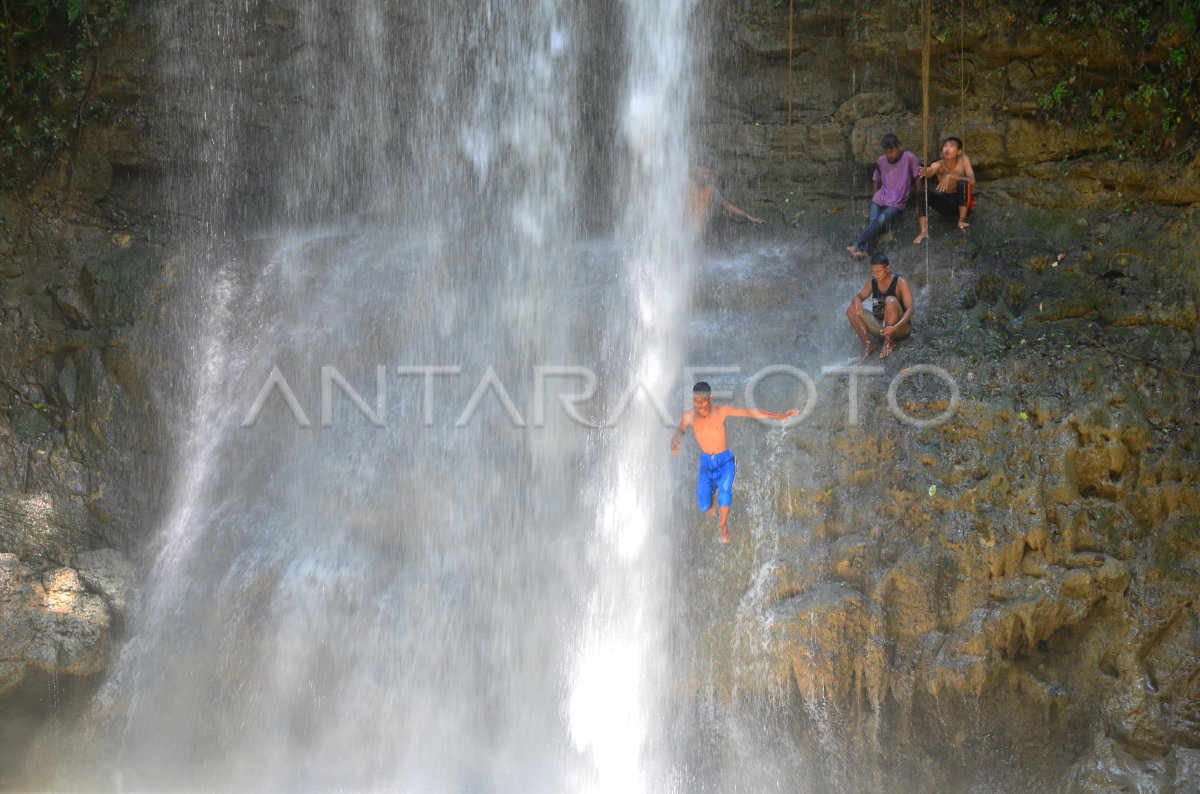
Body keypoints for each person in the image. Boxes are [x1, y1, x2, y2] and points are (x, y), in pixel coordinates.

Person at [671, 381, 798, 544]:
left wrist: (778, 415)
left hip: (725, 461)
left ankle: (723, 525)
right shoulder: (688, 416)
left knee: (725, 489)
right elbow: (680, 429)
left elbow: (750, 413)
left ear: (710, 398)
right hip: (706, 463)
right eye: (696, 402)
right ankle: (714, 497)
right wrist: (675, 440)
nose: (699, 406)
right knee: (705, 507)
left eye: (703, 402)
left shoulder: (721, 411)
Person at [847, 133, 921, 259]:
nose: (889, 155)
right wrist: (874, 197)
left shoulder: (910, 158)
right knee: (873, 222)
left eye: (892, 151)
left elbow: (917, 178)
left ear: (899, 146)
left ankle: (856, 244)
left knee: (881, 221)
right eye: (886, 152)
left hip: (897, 202)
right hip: (880, 198)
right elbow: (876, 180)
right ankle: (867, 252)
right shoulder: (881, 160)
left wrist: (919, 201)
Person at [846, 252, 915, 360]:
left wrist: (894, 327)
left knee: (890, 300)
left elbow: (910, 310)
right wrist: (856, 299)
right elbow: (859, 296)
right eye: (873, 272)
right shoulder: (873, 282)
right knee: (851, 309)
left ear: (887, 268)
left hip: (899, 328)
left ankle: (889, 342)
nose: (875, 275)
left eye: (878, 271)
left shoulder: (900, 282)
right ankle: (869, 344)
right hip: (881, 327)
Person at [913, 136, 976, 244]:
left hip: (962, 202)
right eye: (945, 146)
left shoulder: (964, 160)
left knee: (963, 183)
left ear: (959, 151)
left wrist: (953, 176)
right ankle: (923, 231)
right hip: (945, 204)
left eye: (951, 146)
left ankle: (961, 220)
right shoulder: (938, 164)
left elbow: (972, 180)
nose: (947, 148)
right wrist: (926, 171)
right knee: (923, 192)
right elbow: (931, 171)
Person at [686, 164, 764, 234]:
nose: (704, 176)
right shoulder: (683, 186)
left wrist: (748, 217)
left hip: (696, 231)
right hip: (681, 229)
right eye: (702, 173)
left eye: (707, 174)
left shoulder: (711, 190)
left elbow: (727, 206)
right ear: (694, 170)